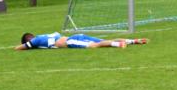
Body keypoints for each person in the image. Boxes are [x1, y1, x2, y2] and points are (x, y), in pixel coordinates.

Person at [14, 32, 148, 50]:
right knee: (104, 41)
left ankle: (119, 44)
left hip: (71, 41)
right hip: (75, 36)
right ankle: (133, 41)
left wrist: (17, 46)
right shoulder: (44, 36)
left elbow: (20, 48)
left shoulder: (36, 40)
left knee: (94, 46)